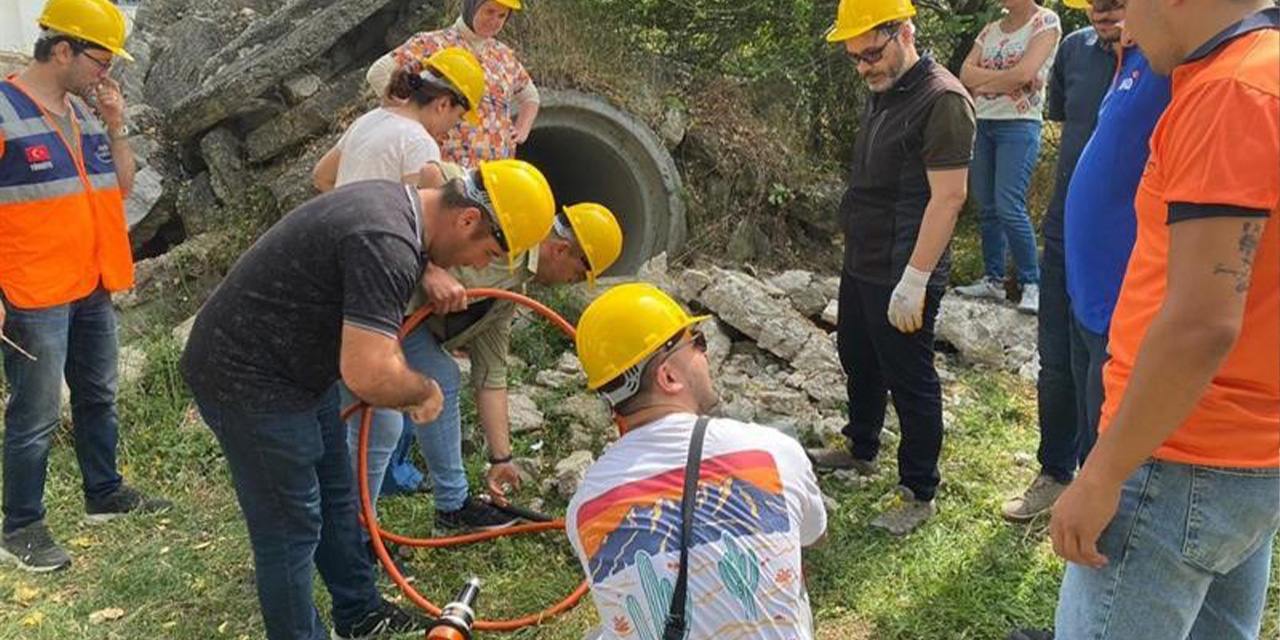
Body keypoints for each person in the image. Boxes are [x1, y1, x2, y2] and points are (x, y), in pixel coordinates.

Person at [179, 160, 555, 640]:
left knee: (337, 499)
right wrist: (422, 391)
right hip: (247, 376)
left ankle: (359, 613)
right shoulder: (387, 241)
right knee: (291, 525)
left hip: (295, 371)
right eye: (490, 250)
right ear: (467, 219)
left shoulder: (396, 213)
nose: (481, 265)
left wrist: (426, 268)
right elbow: (368, 372)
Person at [1049, 2, 1278, 638]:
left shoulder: (1232, 93)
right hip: (1244, 452)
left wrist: (1102, 472)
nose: (1121, 24)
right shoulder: (1260, 74)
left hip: (1175, 456)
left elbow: (1203, 320)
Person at [1005, 27, 1172, 640]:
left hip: (1128, 301)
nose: (1107, 13)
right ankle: (1080, 601)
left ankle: (1097, 615)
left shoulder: (1189, 58)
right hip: (1083, 283)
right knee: (1071, 390)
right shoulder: (1118, 52)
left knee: (1119, 471)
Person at [0, 0, 171, 574]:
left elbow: (120, 187)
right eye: (101, 60)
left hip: (91, 282)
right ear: (63, 49)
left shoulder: (85, 113)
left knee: (98, 393)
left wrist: (117, 126)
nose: (109, 73)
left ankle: (105, 492)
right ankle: (21, 524)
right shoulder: (3, 111)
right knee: (36, 411)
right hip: (33, 289)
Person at [566, 283, 827, 640]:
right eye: (697, 342)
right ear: (668, 377)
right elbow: (813, 535)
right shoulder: (773, 452)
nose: (706, 354)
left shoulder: (585, 507)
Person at [350, 198, 624, 533]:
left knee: (442, 376)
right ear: (560, 250)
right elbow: (409, 206)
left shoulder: (507, 295)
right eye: (578, 274)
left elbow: (491, 376)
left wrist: (501, 459)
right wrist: (427, 269)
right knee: (381, 424)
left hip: (401, 320)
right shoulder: (502, 234)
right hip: (368, 304)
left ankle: (452, 509)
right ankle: (356, 533)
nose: (572, 283)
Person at [806, 0, 975, 536]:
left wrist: (917, 279)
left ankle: (918, 489)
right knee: (857, 353)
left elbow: (949, 198)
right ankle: (861, 445)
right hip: (864, 257)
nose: (864, 68)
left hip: (905, 265)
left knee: (910, 378)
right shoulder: (885, 89)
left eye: (872, 54)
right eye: (855, 58)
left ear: (905, 31)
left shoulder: (943, 99)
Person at [1002, 0, 1128, 523]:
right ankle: (1054, 473)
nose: (1103, 10)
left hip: (1121, 246)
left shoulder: (1163, 61)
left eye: (1116, 1)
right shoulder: (1074, 51)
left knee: (1100, 367)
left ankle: (1101, 487)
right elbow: (1062, 134)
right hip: (1061, 234)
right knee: (1054, 362)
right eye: (1095, 2)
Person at [956, 0, 1062, 314]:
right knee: (986, 205)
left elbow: (1026, 73)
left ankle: (1032, 284)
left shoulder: (1046, 22)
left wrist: (986, 78)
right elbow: (964, 73)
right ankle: (994, 280)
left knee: (1008, 203)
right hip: (984, 122)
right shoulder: (991, 28)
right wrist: (1011, 77)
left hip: (1020, 124)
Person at [367, 0, 538, 168]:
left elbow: (531, 97)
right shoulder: (432, 43)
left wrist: (521, 130)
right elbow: (379, 73)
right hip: (443, 171)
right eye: (489, 11)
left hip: (496, 173)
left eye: (502, 16)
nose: (494, 21)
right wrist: (410, 115)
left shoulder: (503, 55)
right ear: (472, 6)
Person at [313, 47, 485, 192]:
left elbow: (322, 176)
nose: (453, 126)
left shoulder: (371, 118)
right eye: (458, 116)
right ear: (443, 105)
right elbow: (420, 216)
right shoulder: (420, 144)